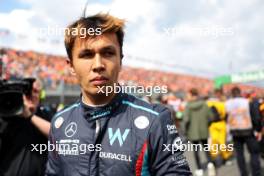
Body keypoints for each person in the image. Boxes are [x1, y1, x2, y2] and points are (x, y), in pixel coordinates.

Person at [45, 13, 191, 176]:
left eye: (107, 53)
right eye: (87, 55)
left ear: (120, 60)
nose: (98, 65)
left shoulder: (154, 120)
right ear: (71, 65)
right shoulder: (60, 122)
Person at [0, 80, 52, 176]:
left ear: (40, 95)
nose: (31, 95)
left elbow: (57, 135)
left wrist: (29, 116)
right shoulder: (7, 115)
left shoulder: (45, 114)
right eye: (26, 92)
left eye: (35, 91)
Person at [225, 87, 262, 176]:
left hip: (235, 131)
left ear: (232, 94)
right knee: (254, 153)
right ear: (240, 93)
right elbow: (255, 117)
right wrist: (258, 129)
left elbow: (226, 118)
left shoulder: (227, 103)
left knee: (239, 154)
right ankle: (256, 173)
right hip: (248, 130)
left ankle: (243, 173)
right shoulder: (247, 102)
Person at [184, 88, 214, 176]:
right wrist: (206, 125)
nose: (187, 97)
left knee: (196, 151)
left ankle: (200, 169)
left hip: (193, 133)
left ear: (192, 95)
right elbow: (211, 117)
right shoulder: (204, 104)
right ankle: (210, 165)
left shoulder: (188, 106)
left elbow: (186, 120)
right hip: (204, 131)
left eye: (188, 95)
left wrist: (185, 130)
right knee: (206, 149)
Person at [207, 89, 233, 166]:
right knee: (216, 142)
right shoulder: (222, 103)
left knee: (219, 142)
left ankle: (223, 158)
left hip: (217, 124)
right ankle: (220, 158)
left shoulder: (209, 103)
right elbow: (227, 113)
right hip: (217, 124)